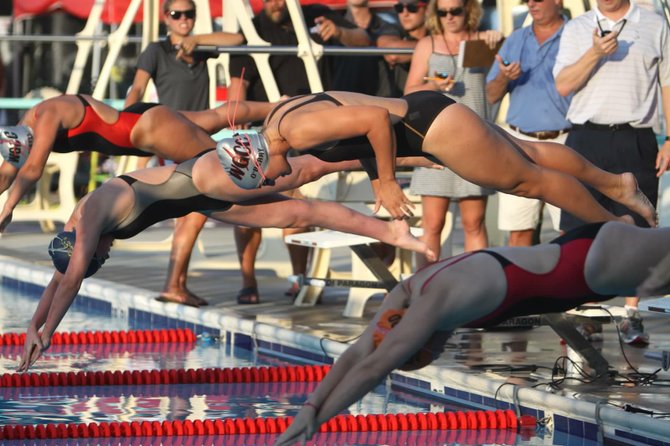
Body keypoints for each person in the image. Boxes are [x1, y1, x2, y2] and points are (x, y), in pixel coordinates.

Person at [16, 148, 435, 372]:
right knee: (299, 213)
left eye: (97, 258)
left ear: (81, 246)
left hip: (204, 178)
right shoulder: (77, 233)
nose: (104, 256)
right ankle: (390, 231)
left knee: (306, 170)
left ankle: (404, 156)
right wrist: (32, 326)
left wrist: (49, 333)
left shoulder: (88, 218)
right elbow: (61, 278)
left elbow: (69, 282)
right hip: (204, 200)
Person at [274, 220, 670, 445]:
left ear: (420, 343)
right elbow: (360, 352)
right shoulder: (410, 289)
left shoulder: (435, 305)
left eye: (417, 356)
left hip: (592, 265)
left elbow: (374, 366)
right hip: (584, 252)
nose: (427, 355)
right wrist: (309, 409)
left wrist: (319, 420)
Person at [223, 91, 656, 242]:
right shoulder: (280, 116)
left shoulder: (296, 133)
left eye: (269, 175)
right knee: (533, 155)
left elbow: (374, 121)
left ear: (262, 157)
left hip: (433, 130)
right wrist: (379, 178)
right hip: (428, 114)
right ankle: (617, 185)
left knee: (530, 182)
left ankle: (612, 228)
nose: (279, 178)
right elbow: (359, 116)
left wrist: (388, 181)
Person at [0, 93, 275, 306]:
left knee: (229, 171)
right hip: (144, 121)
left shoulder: (47, 114)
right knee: (213, 117)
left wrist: (9, 208)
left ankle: (285, 172)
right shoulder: (26, 126)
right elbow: (8, 173)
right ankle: (280, 106)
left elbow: (34, 168)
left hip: (148, 130)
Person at [227, 0, 360, 304]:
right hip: (266, 130)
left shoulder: (315, 15)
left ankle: (298, 278)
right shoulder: (253, 29)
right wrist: (242, 131)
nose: (275, 3)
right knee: (245, 203)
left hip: (312, 130)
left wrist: (338, 30)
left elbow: (363, 40)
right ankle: (249, 281)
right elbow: (238, 90)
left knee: (296, 199)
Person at [553, 0, 670, 343]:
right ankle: (588, 312)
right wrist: (594, 52)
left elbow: (667, 84)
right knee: (581, 228)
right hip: (587, 137)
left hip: (637, 137)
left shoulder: (653, 24)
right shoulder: (577, 28)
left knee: (640, 227)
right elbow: (563, 85)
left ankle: (631, 314)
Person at [404, 0, 503, 264]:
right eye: (443, 11)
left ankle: (479, 289)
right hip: (435, 142)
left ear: (468, 10)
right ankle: (426, 288)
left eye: (455, 11)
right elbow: (409, 90)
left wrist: (498, 39)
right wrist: (434, 86)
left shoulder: (483, 41)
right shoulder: (428, 44)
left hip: (475, 143)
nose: (449, 17)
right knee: (432, 224)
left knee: (474, 223)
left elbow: (503, 77)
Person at [485, 0, 570, 246]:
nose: (531, 3)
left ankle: (566, 285)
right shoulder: (515, 38)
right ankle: (521, 285)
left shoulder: (577, 35)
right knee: (519, 231)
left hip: (566, 143)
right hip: (519, 143)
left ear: (558, 1)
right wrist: (503, 76)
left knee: (568, 231)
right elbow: (491, 94)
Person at [376, 0, 429, 98]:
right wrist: (431, 48)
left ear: (427, 9)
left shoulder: (436, 34)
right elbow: (392, 54)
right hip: (391, 104)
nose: (405, 13)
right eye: (399, 8)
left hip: (431, 103)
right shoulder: (391, 28)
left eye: (412, 7)